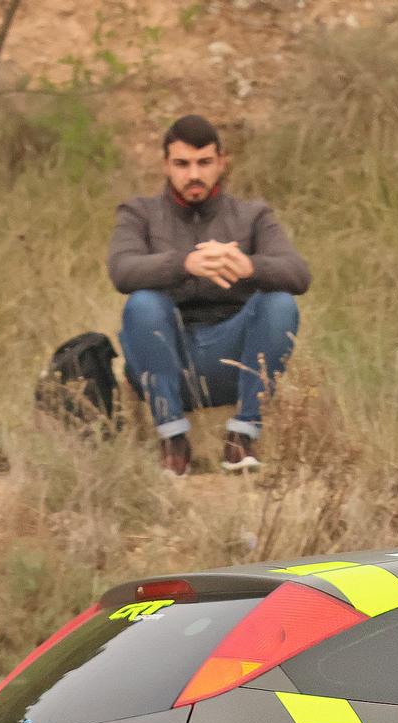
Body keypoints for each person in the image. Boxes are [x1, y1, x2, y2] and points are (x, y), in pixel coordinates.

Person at [108, 114, 311, 476]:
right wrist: (185, 264)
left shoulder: (253, 216)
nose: (193, 175)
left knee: (280, 303)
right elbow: (122, 271)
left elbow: (298, 274)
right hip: (165, 359)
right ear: (166, 165)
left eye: (204, 163)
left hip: (230, 360)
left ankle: (242, 436)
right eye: (182, 164)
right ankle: (173, 440)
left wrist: (250, 267)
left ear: (221, 161)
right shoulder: (139, 213)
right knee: (142, 304)